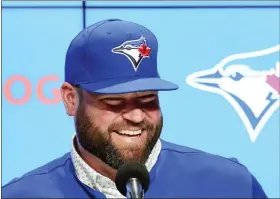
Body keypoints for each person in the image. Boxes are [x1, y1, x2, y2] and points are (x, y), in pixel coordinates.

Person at [2, 19, 268, 198]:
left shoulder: (230, 185)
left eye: (148, 99)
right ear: (71, 99)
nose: (136, 115)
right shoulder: (22, 194)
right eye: (114, 102)